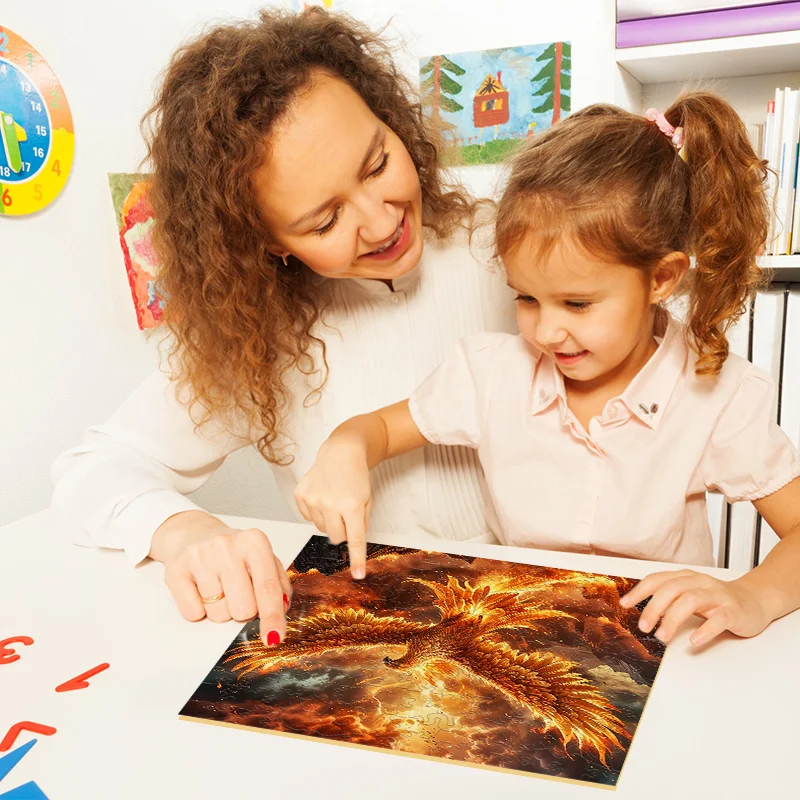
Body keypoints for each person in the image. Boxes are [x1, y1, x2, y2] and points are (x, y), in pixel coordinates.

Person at [49, 7, 516, 647]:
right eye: (323, 223)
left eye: (378, 164)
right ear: (264, 242)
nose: (381, 226)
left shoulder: (512, 249)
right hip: (382, 639)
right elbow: (92, 470)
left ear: (391, 119)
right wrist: (189, 533)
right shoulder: (260, 334)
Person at [296, 93, 800, 648]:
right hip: (521, 634)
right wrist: (345, 447)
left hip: (661, 650)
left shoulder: (715, 393)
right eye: (527, 298)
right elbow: (382, 429)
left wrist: (753, 595)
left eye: (577, 304)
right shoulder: (490, 373)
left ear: (662, 279)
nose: (545, 331)